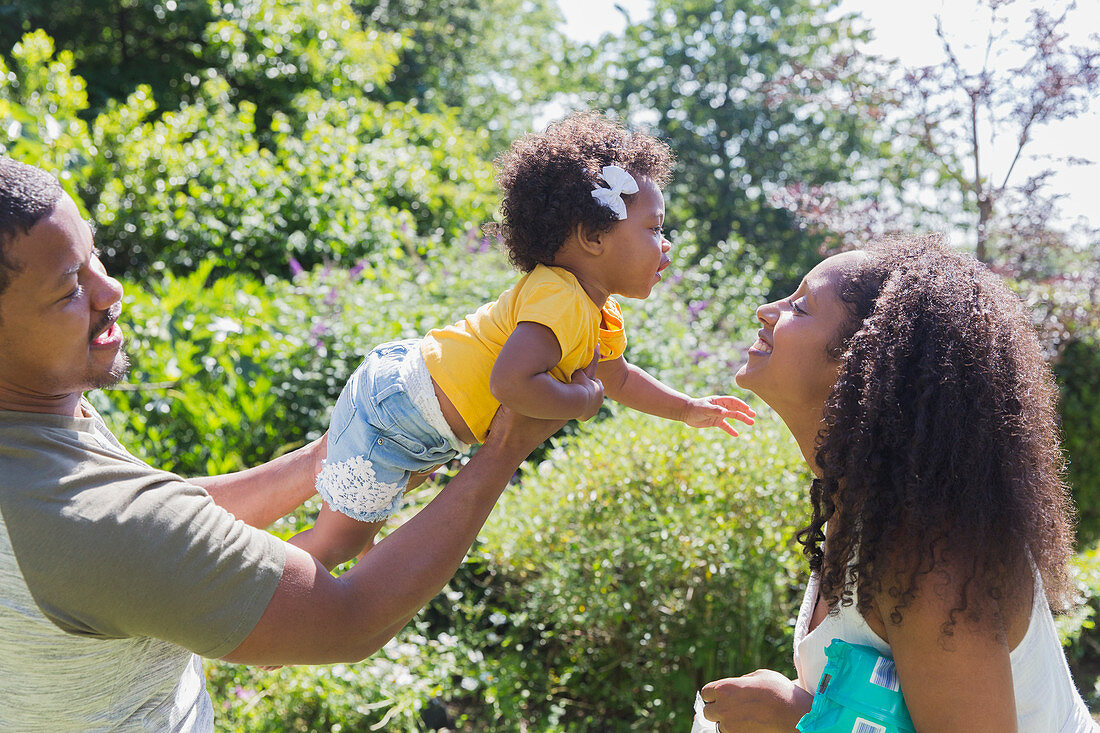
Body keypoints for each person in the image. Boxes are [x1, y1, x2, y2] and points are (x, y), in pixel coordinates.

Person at [0, 156, 573, 730]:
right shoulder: (83, 520)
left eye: (92, 253)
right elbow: (349, 619)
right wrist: (502, 453)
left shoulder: (39, 415)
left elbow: (160, 513)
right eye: (70, 287)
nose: (110, 287)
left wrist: (332, 455)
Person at [290, 111, 756, 570]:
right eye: (654, 228)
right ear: (594, 236)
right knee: (335, 545)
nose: (666, 244)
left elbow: (617, 376)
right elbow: (511, 382)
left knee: (357, 539)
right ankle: (246, 594)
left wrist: (685, 408)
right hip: (403, 410)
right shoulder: (561, 298)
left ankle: (256, 576)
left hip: (418, 416)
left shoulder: (592, 310)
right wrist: (580, 401)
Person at [692, 236, 1095, 732]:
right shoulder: (870, 505)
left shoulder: (931, 561)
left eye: (800, 305)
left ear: (861, 359)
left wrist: (795, 717)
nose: (766, 310)